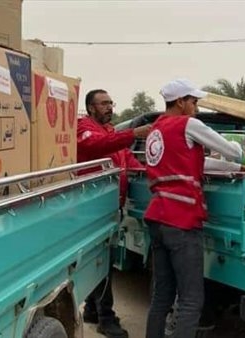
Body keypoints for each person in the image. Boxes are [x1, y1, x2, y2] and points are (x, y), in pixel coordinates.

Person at [144, 78, 245, 338]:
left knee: (162, 297)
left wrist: (234, 170)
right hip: (181, 220)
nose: (197, 107)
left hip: (158, 216)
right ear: (180, 102)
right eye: (194, 102)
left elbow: (195, 164)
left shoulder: (157, 130)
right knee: (191, 299)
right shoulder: (188, 124)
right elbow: (232, 150)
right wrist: (242, 150)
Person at [77, 89, 150, 338]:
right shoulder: (84, 128)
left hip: (110, 205)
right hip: (91, 207)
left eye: (111, 102)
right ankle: (106, 318)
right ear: (90, 108)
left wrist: (145, 173)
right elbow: (95, 145)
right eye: (103, 103)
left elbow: (126, 158)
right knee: (102, 262)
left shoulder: (110, 131)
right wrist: (134, 134)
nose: (109, 107)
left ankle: (92, 310)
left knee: (99, 259)